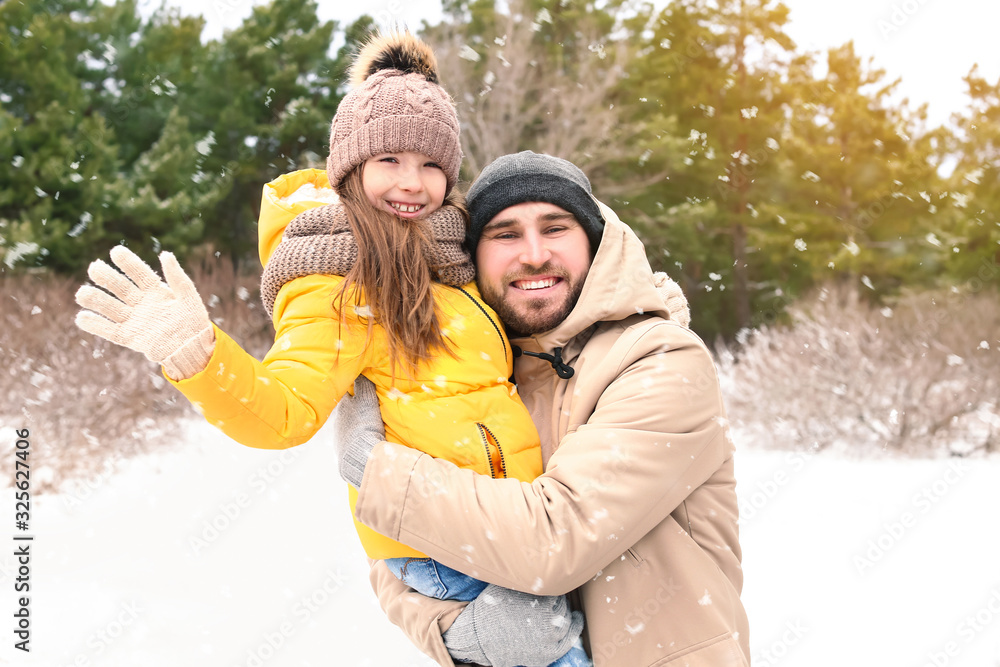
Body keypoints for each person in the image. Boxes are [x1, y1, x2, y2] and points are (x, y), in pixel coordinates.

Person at [74, 33, 589, 667]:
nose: (413, 183)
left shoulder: (448, 261)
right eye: (390, 161)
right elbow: (283, 412)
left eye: (431, 164)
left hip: (502, 525)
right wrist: (196, 355)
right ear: (350, 169)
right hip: (444, 541)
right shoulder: (340, 275)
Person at [333, 151, 750, 666]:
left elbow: (557, 539)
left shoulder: (661, 359)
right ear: (472, 257)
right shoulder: (471, 376)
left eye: (555, 228)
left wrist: (375, 470)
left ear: (594, 244)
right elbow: (400, 553)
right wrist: (462, 632)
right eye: (505, 234)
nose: (533, 254)